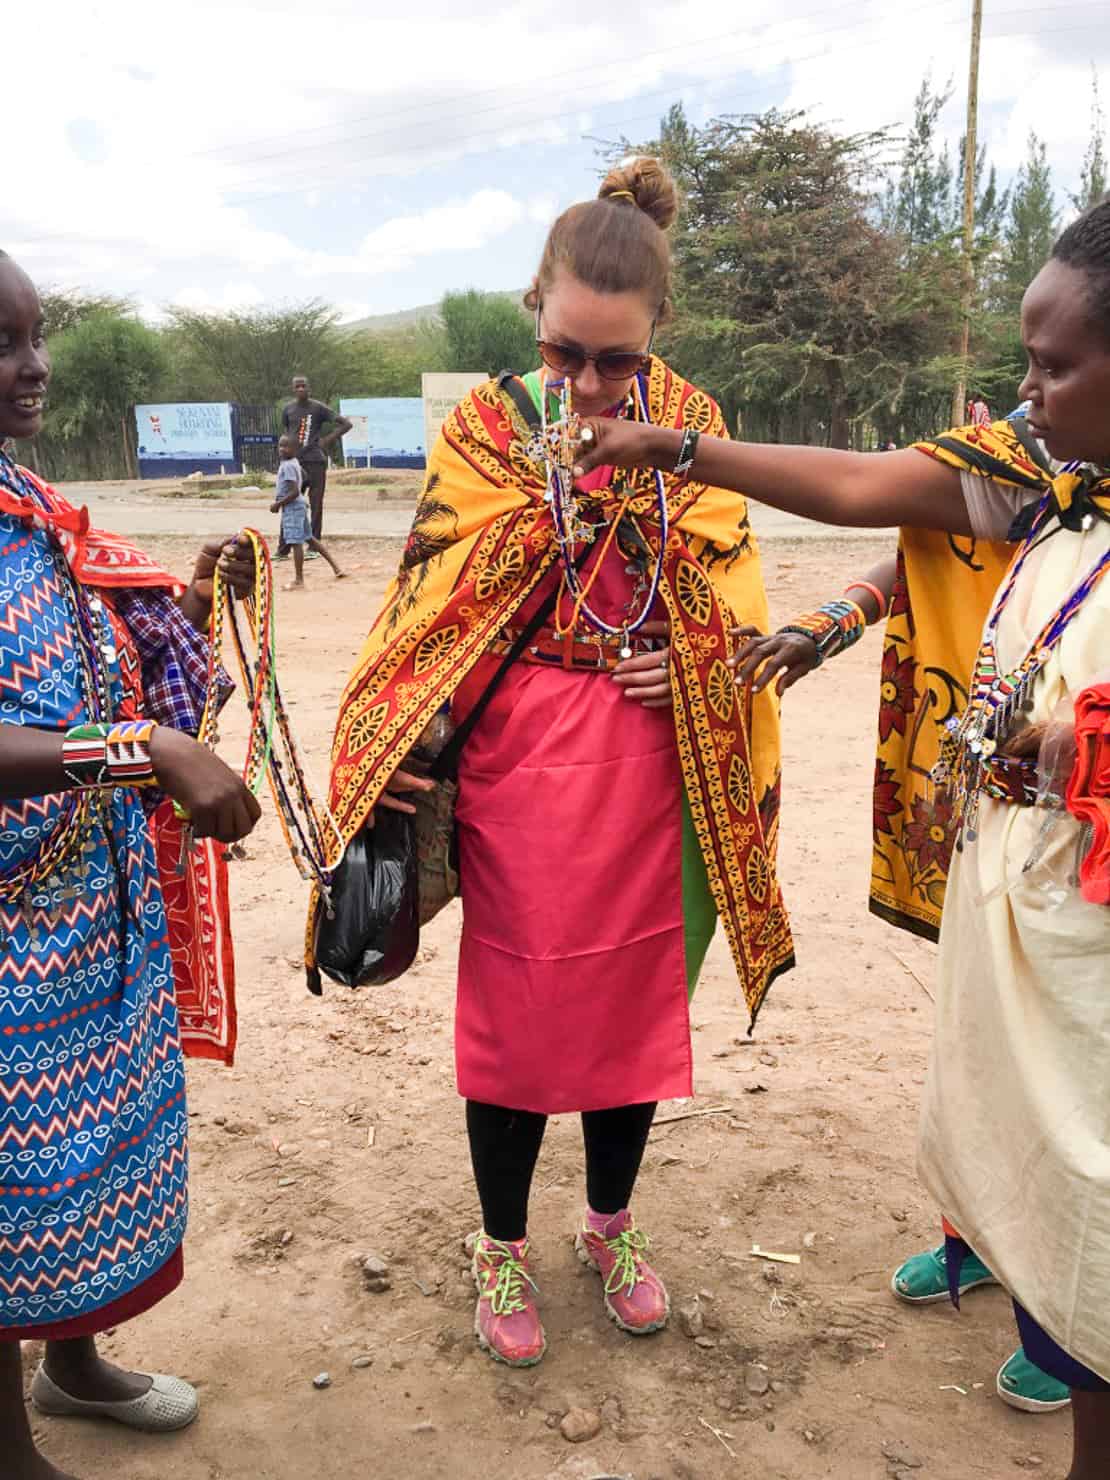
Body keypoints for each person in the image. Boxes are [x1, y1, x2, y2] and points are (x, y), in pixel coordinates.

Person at [574, 199, 1110, 1477]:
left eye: (1055, 367)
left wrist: (1078, 755)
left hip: (1093, 941)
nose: (1026, 398)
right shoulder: (1054, 480)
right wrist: (677, 449)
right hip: (1031, 916)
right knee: (1039, 1180)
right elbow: (869, 488)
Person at [317, 157, 793, 1368]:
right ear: (536, 305)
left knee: (632, 1015)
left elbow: (735, 600)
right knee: (520, 1025)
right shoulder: (483, 429)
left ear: (656, 340)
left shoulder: (695, 429)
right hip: (518, 771)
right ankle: (498, 1242)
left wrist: (690, 661)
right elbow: (424, 600)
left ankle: (611, 1224)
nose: (587, 384)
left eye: (615, 361)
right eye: (567, 350)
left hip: (646, 770)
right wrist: (410, 744)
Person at [735, 408, 1071, 1414]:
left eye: (1053, 368)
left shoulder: (1077, 490)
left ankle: (1063, 1316)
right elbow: (918, 550)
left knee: (1063, 1067)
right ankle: (972, 1237)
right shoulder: (1023, 448)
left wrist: (678, 449)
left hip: (1079, 821)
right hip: (986, 801)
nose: (1030, 392)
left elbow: (857, 486)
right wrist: (822, 628)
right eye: (1030, 367)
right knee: (975, 1035)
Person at [0, 248, 262, 1480]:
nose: (33, 365)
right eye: (2, 343)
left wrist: (177, 624)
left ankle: (73, 1361)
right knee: (12, 1188)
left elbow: (83, 660)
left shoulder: (23, 499)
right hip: (11, 932)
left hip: (85, 909)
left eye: (36, 334)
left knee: (89, 1156)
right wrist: (144, 745)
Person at [276, 376, 351, 557]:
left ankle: (314, 547)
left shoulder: (318, 408)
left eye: (304, 386)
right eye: (297, 386)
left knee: (316, 504)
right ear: (293, 389)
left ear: (309, 389)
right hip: (296, 463)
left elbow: (346, 424)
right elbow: (288, 434)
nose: (301, 389)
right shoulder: (288, 409)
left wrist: (326, 440)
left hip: (316, 462)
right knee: (290, 502)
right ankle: (283, 549)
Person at [271, 434, 346, 589]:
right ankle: (336, 567)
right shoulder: (293, 462)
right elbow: (304, 477)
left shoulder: (288, 466)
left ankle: (299, 580)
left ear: (295, 449)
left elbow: (293, 492)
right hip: (298, 506)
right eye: (280, 446)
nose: (282, 449)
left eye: (286, 446)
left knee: (296, 542)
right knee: (309, 538)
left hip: (292, 507)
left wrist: (278, 504)